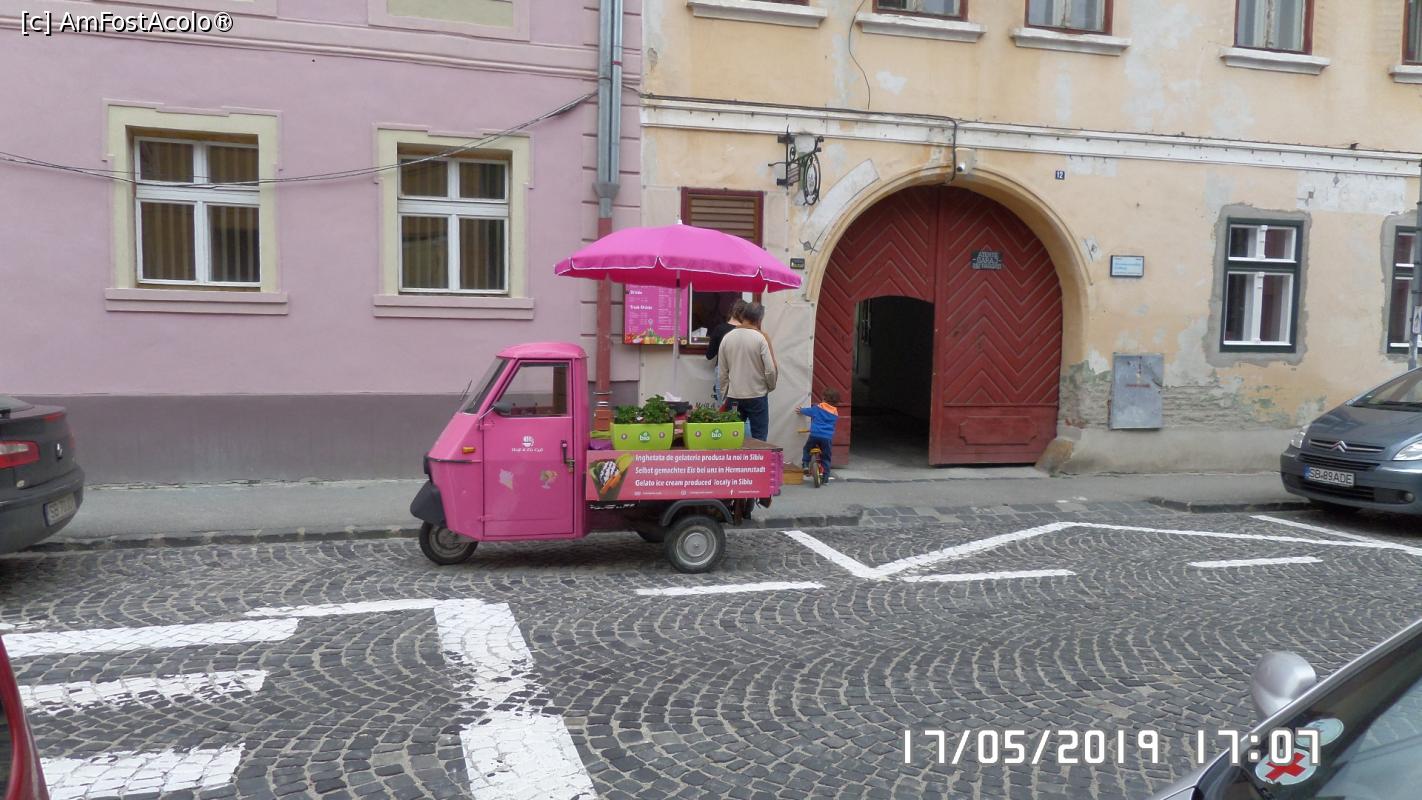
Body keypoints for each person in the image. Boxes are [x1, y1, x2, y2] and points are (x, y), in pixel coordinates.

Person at [717, 302, 776, 442]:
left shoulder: (727, 337)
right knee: (759, 438)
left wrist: (725, 393)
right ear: (760, 319)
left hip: (734, 395)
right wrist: (770, 386)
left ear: (743, 316)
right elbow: (770, 369)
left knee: (731, 439)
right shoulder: (760, 338)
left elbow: (722, 371)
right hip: (757, 395)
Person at [705, 299, 747, 404]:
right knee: (742, 408)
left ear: (731, 312)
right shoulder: (748, 331)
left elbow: (709, 355)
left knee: (722, 407)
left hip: (722, 370)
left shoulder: (719, 329)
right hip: (742, 371)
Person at [798, 388, 840, 481]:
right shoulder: (835, 412)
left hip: (815, 434)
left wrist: (801, 410)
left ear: (823, 398)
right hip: (827, 437)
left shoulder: (818, 408)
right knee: (826, 457)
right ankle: (825, 477)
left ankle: (805, 464)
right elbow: (833, 422)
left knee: (807, 449)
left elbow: (809, 411)